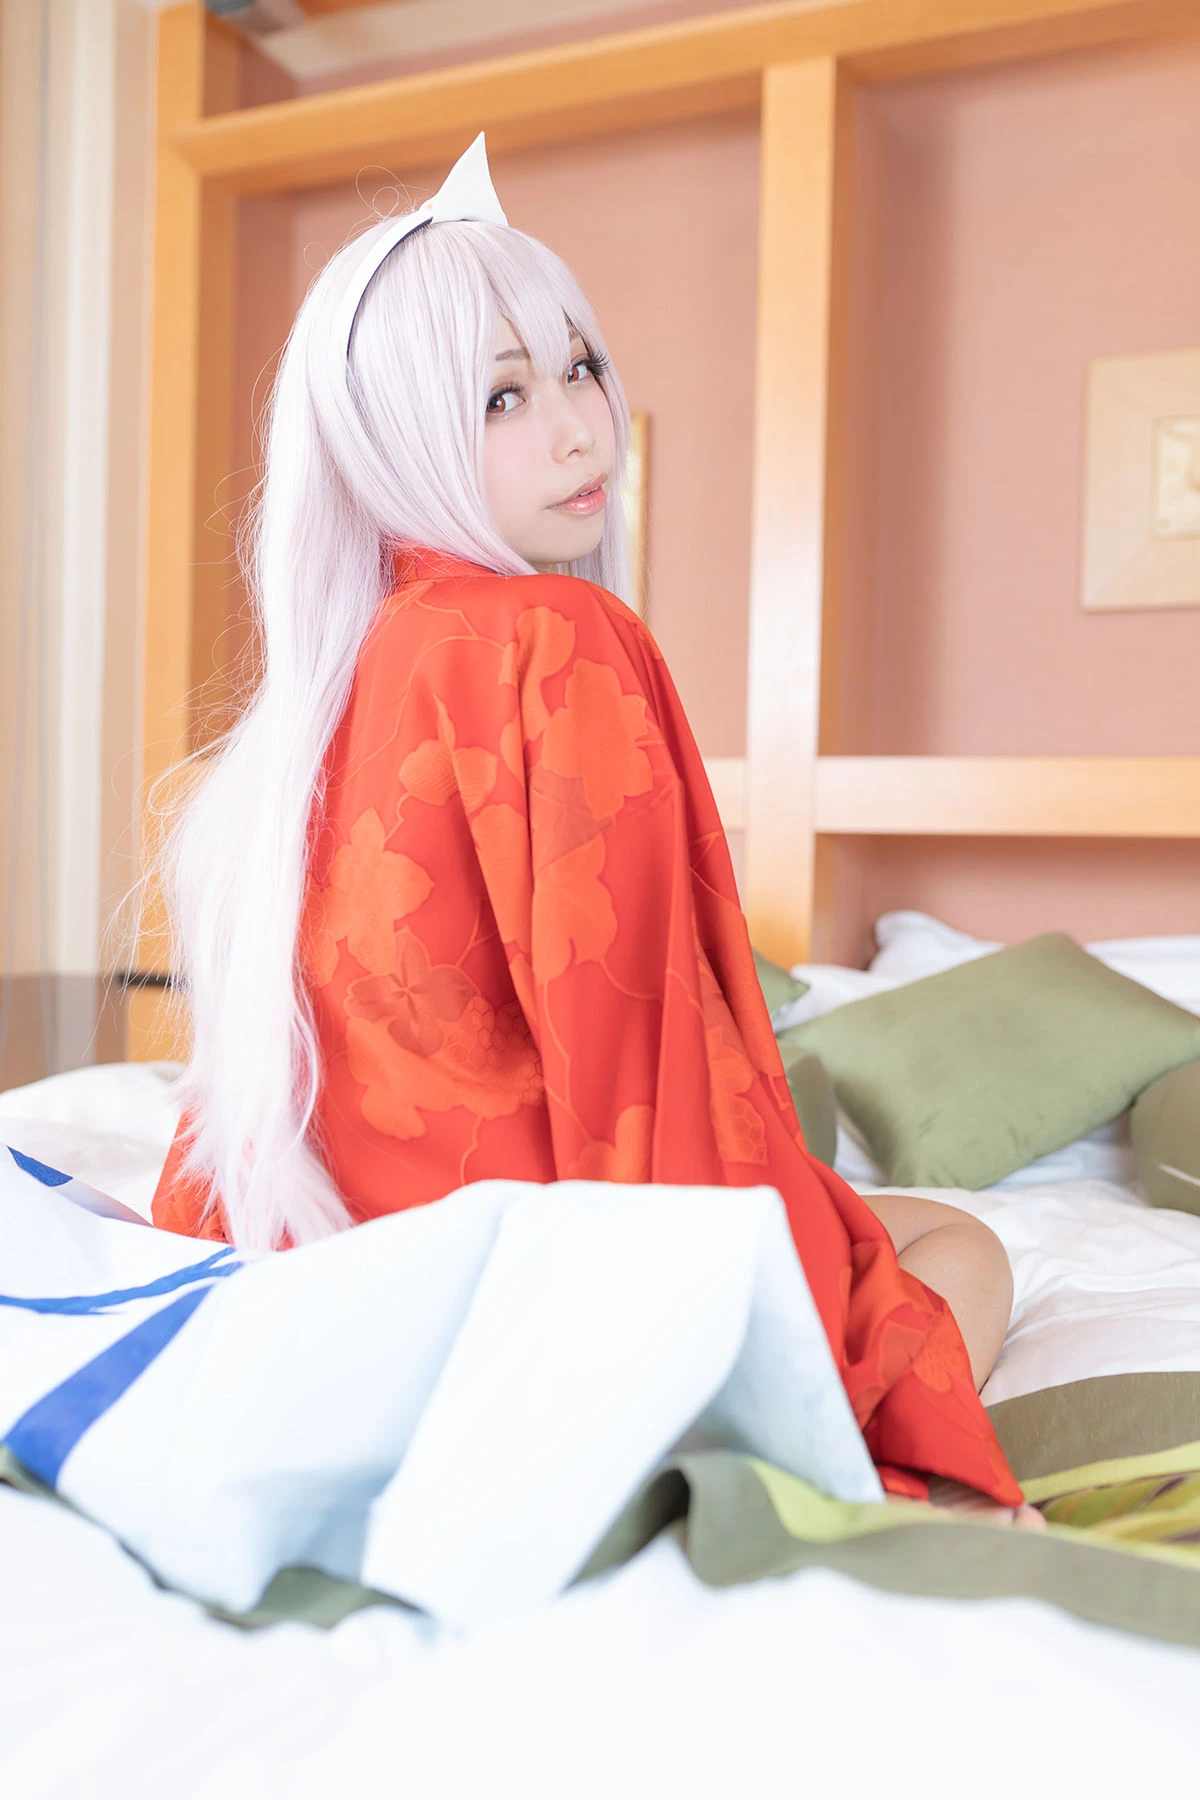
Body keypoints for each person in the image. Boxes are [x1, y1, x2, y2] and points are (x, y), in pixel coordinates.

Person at [150, 137, 1037, 1525]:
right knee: (966, 1250)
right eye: (503, 395)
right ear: (395, 436)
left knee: (888, 1223)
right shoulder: (557, 637)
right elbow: (634, 1057)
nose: (578, 429)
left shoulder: (320, 692)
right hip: (519, 1272)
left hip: (335, 1267)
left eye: (581, 369)